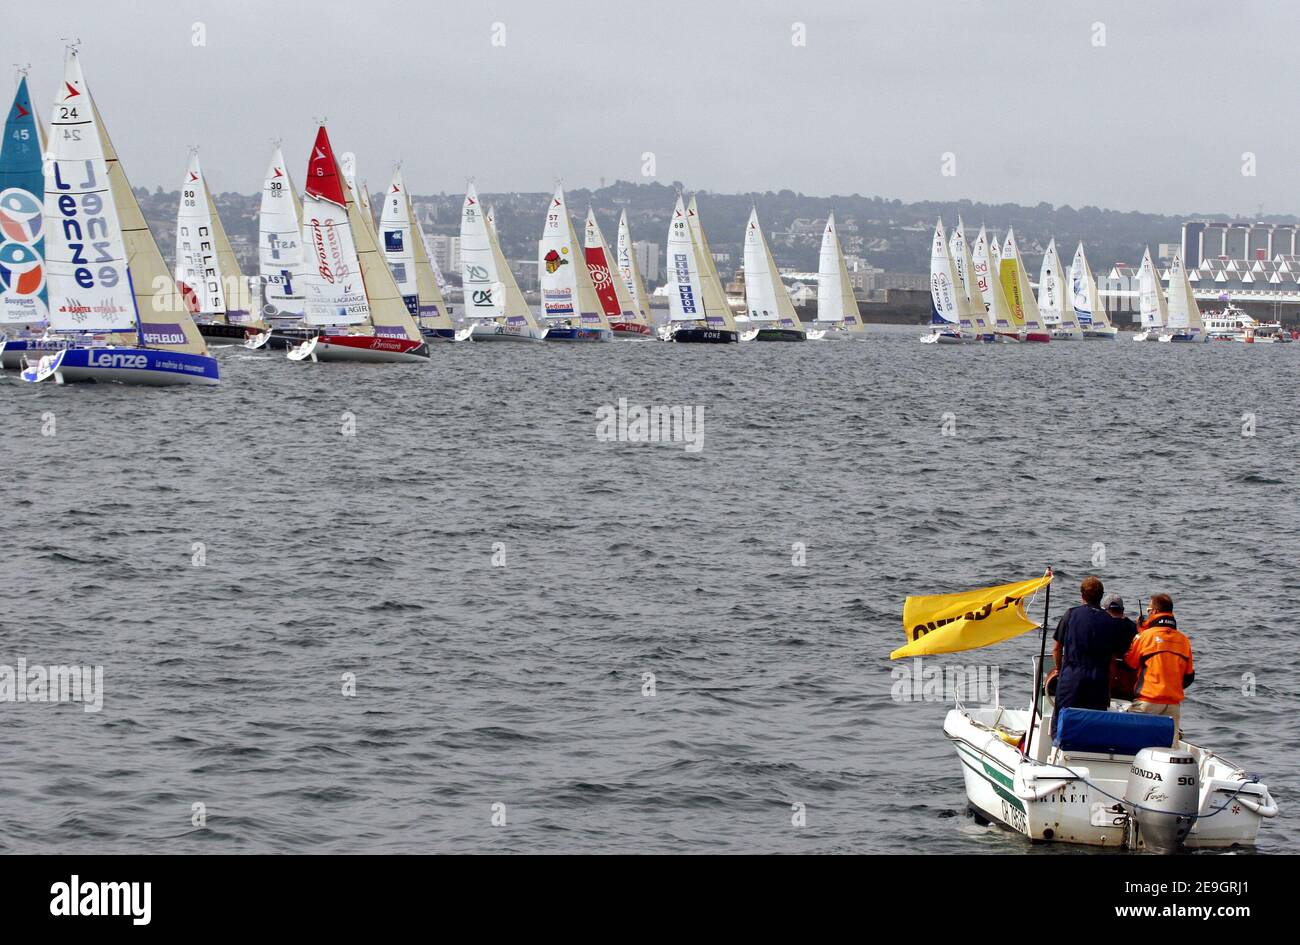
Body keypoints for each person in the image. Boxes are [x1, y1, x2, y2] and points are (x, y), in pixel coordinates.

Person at [1051, 577, 1133, 737]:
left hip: (1072, 679)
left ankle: (1058, 750)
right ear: (1101, 596)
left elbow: (1056, 648)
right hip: (1099, 682)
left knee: (1063, 719)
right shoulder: (1110, 622)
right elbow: (1111, 659)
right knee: (1093, 723)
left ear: (1082, 595)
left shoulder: (1071, 614)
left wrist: (1059, 670)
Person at [1125, 593, 1194, 737]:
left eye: (1149, 611)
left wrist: (1140, 633)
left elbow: (1130, 664)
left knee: (1129, 738)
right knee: (1170, 747)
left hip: (1148, 701)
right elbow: (1188, 677)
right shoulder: (1184, 640)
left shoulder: (1145, 637)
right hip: (1173, 705)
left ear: (1155, 612)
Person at [1102, 593, 1140, 699]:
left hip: (1104, 683)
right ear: (1122, 610)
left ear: (1105, 610)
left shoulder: (1101, 625)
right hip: (1128, 683)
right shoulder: (1134, 628)